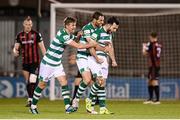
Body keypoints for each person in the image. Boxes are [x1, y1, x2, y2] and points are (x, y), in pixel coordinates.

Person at [29, 17, 97, 114]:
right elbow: (78, 46)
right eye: (72, 25)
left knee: (64, 82)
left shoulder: (68, 34)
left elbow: (76, 40)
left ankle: (67, 107)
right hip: (48, 62)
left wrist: (78, 35)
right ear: (66, 26)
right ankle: (33, 105)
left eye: (75, 25)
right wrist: (91, 44)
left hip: (57, 63)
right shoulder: (63, 35)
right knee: (42, 84)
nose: (74, 27)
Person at [72, 11, 109, 114]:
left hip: (91, 56)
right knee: (87, 79)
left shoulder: (99, 29)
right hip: (82, 56)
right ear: (94, 19)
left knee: (99, 80)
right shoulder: (87, 28)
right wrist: (103, 48)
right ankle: (76, 100)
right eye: (100, 20)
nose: (102, 22)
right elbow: (91, 43)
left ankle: (90, 105)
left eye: (103, 20)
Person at [85, 17, 119, 114]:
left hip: (104, 59)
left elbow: (110, 48)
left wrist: (113, 60)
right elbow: (90, 47)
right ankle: (89, 99)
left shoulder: (109, 34)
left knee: (102, 83)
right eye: (114, 28)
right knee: (99, 80)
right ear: (109, 24)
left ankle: (102, 108)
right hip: (95, 59)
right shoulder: (97, 32)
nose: (115, 30)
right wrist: (96, 58)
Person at [13, 16, 46, 107]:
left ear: (32, 25)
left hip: (35, 62)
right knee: (28, 81)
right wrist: (15, 52)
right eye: (27, 24)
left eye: (30, 24)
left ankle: (31, 100)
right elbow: (15, 48)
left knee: (32, 80)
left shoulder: (36, 34)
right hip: (25, 62)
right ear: (24, 24)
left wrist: (46, 58)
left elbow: (42, 48)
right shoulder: (19, 35)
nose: (28, 26)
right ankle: (30, 98)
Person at [142, 32, 162, 105]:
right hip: (155, 65)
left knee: (154, 81)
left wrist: (144, 47)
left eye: (150, 37)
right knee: (150, 81)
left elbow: (145, 53)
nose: (149, 39)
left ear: (152, 37)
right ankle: (150, 99)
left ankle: (157, 100)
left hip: (153, 65)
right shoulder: (159, 44)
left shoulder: (152, 44)